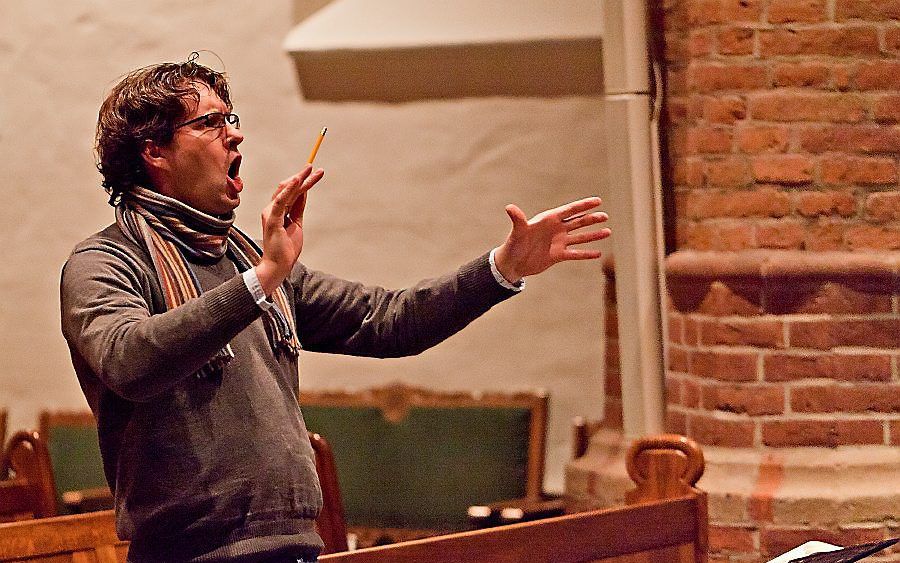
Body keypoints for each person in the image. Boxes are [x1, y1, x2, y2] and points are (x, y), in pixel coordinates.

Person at [59, 55, 611, 563]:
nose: (236, 133)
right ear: (153, 151)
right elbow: (129, 360)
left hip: (294, 544)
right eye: (210, 123)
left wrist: (503, 267)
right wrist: (263, 279)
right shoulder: (105, 262)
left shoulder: (246, 263)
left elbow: (391, 321)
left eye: (232, 118)